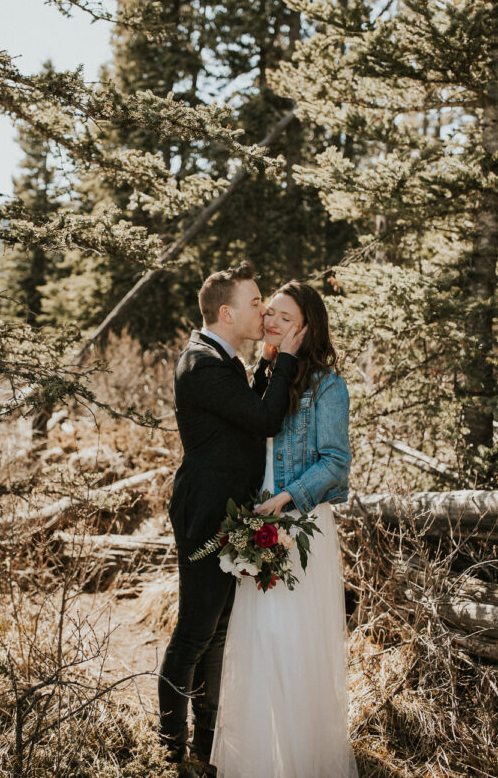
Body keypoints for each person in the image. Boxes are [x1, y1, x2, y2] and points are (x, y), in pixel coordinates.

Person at [158, 262, 305, 775]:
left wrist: (265, 365)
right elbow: (264, 419)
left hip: (225, 512)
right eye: (255, 301)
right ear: (226, 312)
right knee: (196, 632)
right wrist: (284, 358)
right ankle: (170, 750)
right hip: (205, 516)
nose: (263, 309)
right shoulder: (202, 364)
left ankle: (205, 747)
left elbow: (244, 414)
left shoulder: (219, 360)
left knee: (216, 632)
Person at [210, 280, 357, 778]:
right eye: (268, 312)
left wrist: (286, 499)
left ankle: (300, 762)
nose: (271, 323)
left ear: (307, 328)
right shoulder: (264, 374)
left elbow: (336, 463)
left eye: (284, 318)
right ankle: (260, 760)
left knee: (291, 641)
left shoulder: (328, 386)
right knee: (257, 640)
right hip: (259, 521)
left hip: (299, 525)